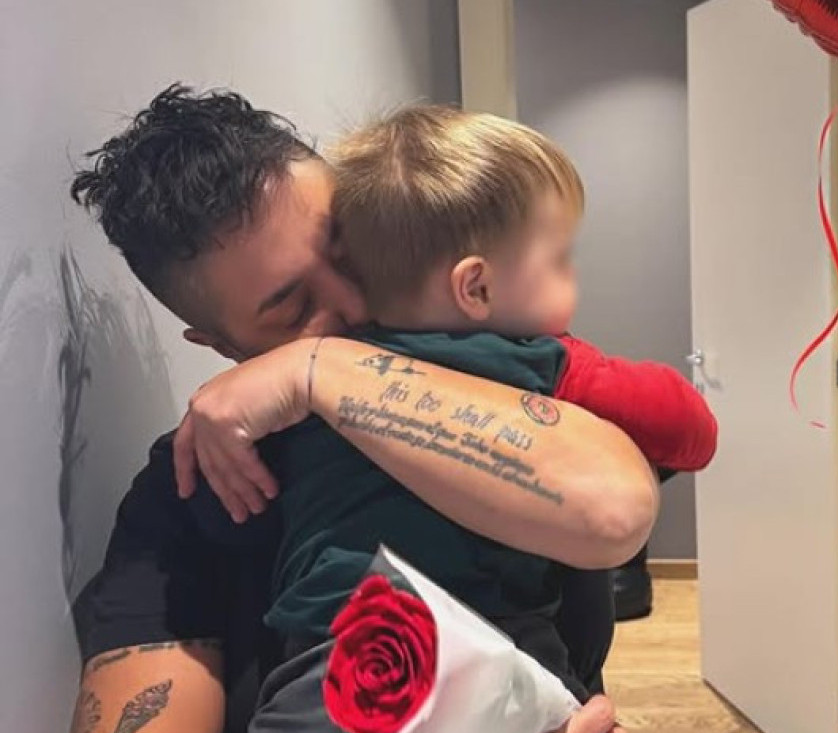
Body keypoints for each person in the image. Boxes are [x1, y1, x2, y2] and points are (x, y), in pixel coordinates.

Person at [67, 85, 659, 733]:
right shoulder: (185, 502)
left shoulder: (501, 367)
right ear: (221, 345)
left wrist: (314, 367)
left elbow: (614, 513)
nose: (354, 304)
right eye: (294, 309)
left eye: (353, 253)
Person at [197, 106, 716, 729]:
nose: (343, 304)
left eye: (345, 265)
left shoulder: (286, 397)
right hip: (496, 641)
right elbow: (689, 429)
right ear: (476, 288)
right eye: (560, 258)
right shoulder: (542, 362)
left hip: (333, 646)